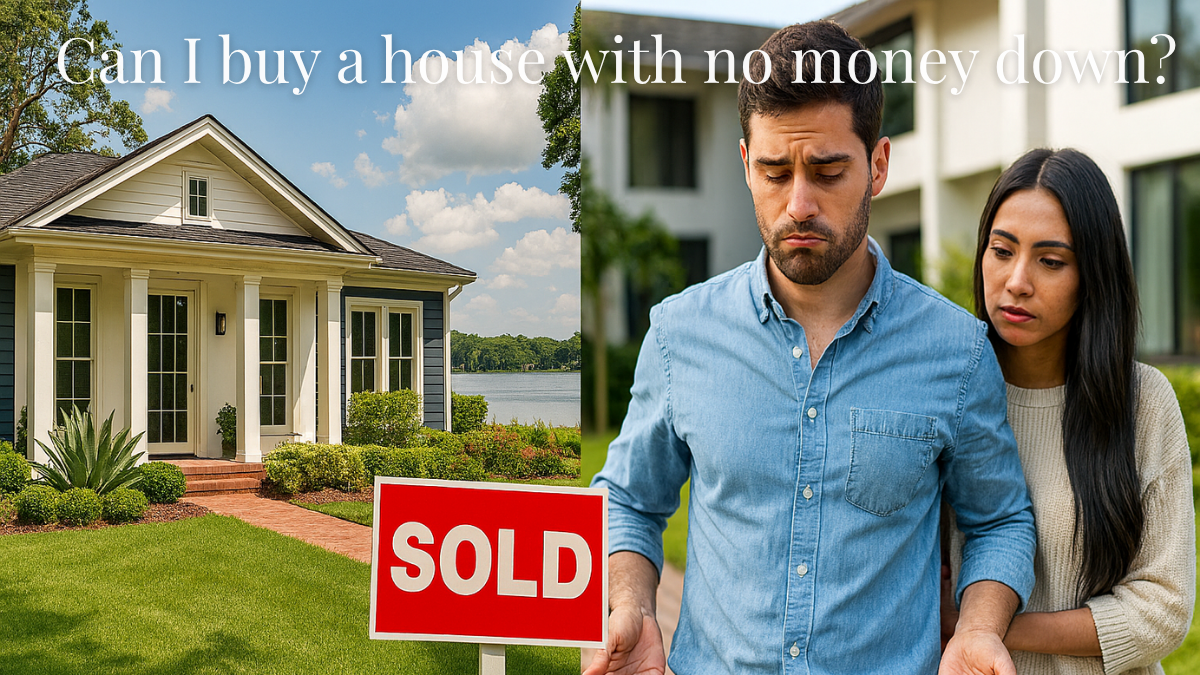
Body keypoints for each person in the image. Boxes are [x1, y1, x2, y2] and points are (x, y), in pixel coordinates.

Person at [586, 20, 1037, 675]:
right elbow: (629, 498)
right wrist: (634, 604)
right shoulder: (680, 333)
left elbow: (999, 519)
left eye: (827, 171)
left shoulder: (958, 350)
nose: (799, 204)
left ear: (878, 165)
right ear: (745, 165)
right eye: (774, 171)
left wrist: (977, 628)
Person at [943, 148, 1195, 674]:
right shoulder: (946, 396)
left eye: (1050, 261)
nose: (1017, 281)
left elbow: (1165, 608)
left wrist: (985, 628)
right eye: (1001, 250)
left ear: (1092, 277)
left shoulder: (1142, 402)